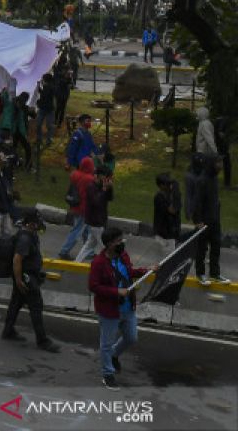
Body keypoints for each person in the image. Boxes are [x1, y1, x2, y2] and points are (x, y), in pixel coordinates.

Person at [89, 228, 155, 389]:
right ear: (110, 244)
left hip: (128, 307)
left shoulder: (123, 256)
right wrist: (116, 291)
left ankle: (114, 355)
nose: (122, 243)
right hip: (109, 310)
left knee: (131, 337)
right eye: (119, 241)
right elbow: (94, 286)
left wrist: (146, 270)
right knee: (106, 343)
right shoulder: (98, 263)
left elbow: (129, 271)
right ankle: (108, 374)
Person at [1, 210, 60, 352]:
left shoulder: (30, 235)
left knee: (16, 303)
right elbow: (17, 259)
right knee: (36, 306)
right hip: (26, 278)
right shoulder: (25, 239)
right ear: (31, 224)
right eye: (37, 224)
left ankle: (8, 331)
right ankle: (42, 340)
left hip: (26, 276)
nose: (39, 226)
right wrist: (19, 280)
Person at [188, 153, 229, 285]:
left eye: (221, 163)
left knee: (216, 246)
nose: (221, 166)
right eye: (218, 163)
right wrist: (198, 221)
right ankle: (200, 274)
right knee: (202, 248)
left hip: (215, 220)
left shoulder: (215, 179)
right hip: (204, 222)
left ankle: (215, 274)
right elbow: (196, 202)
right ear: (211, 164)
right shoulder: (202, 180)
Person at [76, 165, 114, 262]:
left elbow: (110, 198)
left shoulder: (102, 186)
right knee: (105, 246)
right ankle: (110, 265)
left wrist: (110, 188)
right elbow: (96, 202)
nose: (107, 179)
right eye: (105, 176)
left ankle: (76, 263)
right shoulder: (91, 187)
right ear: (98, 175)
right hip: (95, 221)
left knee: (90, 244)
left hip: (100, 219)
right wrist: (104, 189)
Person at [152, 173, 181, 255]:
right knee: (167, 256)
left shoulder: (168, 195)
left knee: (172, 253)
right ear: (161, 185)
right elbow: (172, 210)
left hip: (172, 229)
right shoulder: (159, 197)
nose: (169, 186)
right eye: (167, 184)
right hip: (164, 232)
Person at [34, 74, 57, 147]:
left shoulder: (50, 87)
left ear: (45, 80)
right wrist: (39, 86)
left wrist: (39, 86)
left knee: (47, 125)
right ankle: (41, 139)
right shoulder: (47, 86)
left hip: (48, 109)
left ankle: (48, 139)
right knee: (40, 124)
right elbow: (43, 93)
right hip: (44, 109)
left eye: (43, 79)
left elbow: (45, 94)